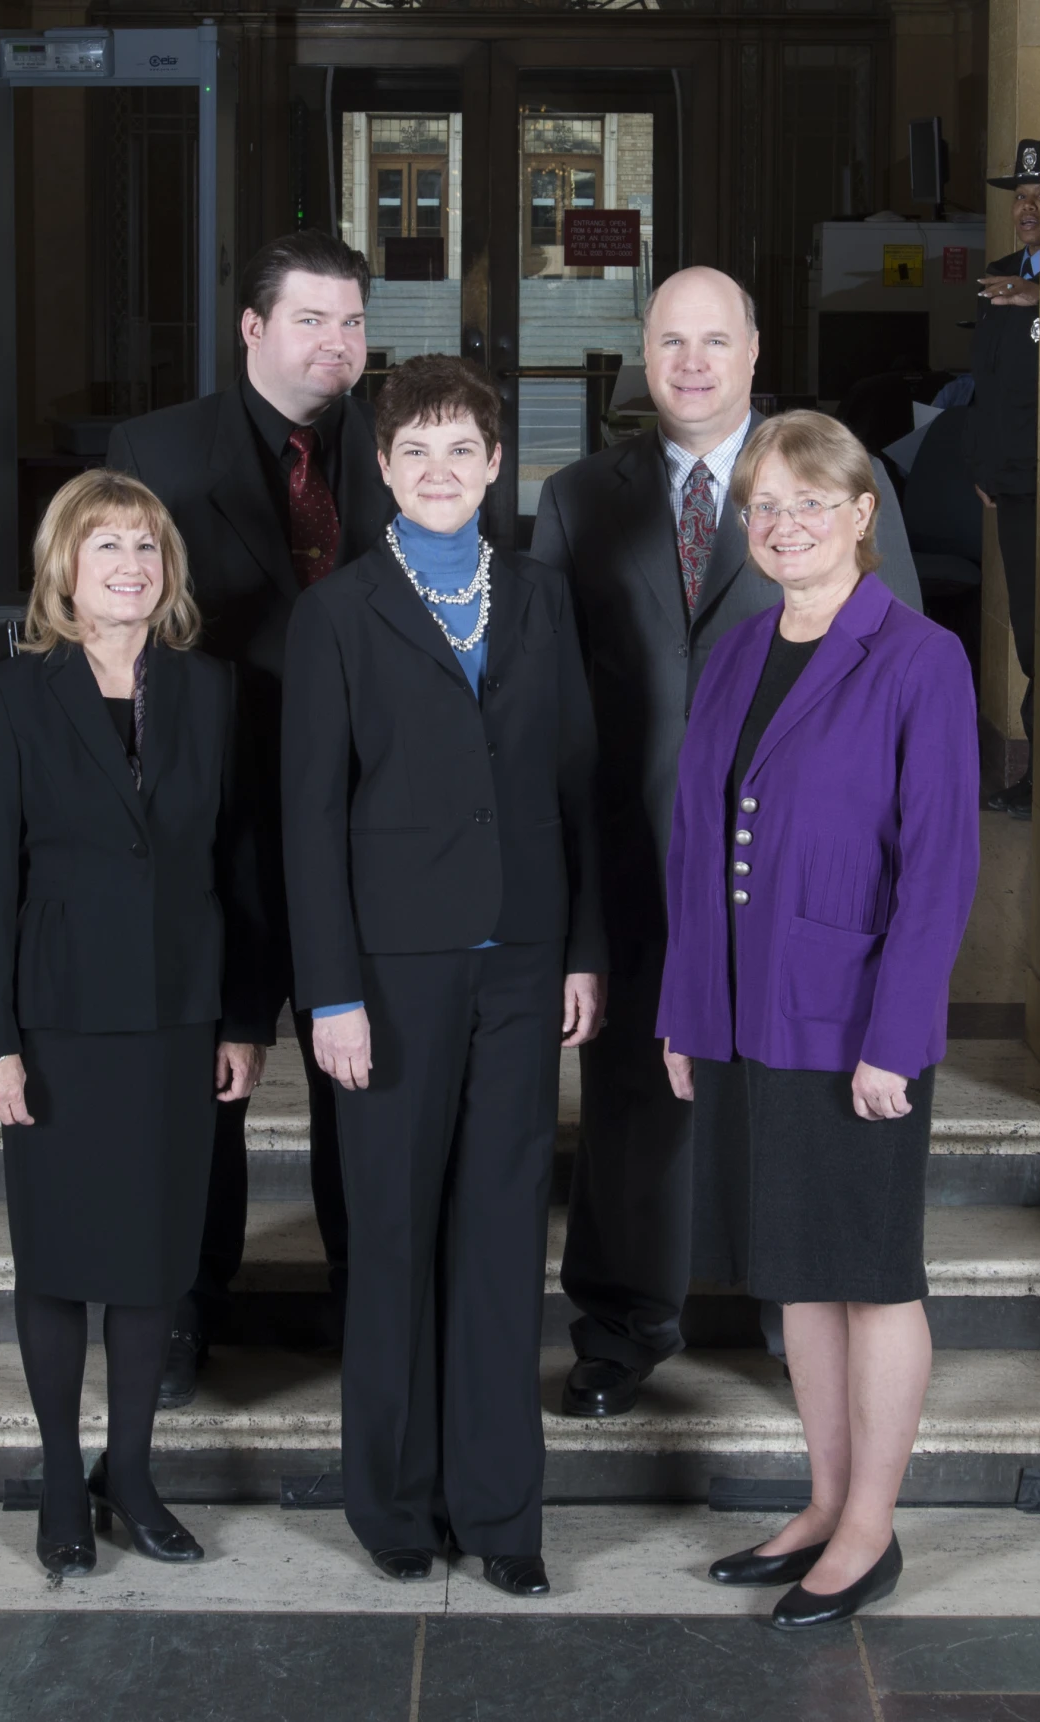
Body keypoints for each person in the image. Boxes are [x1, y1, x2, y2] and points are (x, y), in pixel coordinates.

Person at [281, 355, 605, 1597]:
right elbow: (309, 822)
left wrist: (586, 949)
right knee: (396, 1239)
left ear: (496, 464)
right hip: (392, 982)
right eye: (413, 450)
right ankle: (395, 1506)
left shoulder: (540, 598)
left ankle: (503, 1515)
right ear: (381, 466)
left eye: (460, 450)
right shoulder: (337, 615)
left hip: (524, 967)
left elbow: (579, 788)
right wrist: (332, 995)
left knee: (501, 1240)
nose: (438, 471)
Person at [658, 412, 978, 1630]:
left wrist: (898, 1037)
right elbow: (695, 845)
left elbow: (940, 865)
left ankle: (873, 1528)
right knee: (796, 1276)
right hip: (748, 1012)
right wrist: (688, 1009)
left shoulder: (918, 657)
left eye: (811, 503)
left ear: (862, 516)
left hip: (855, 1022)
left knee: (872, 1275)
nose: (785, 526)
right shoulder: (735, 654)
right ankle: (823, 1499)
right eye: (765, 507)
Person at [0, 469, 276, 1578]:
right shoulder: (12, 700)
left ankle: (130, 1475)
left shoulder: (214, 692)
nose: (130, 565)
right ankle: (58, 1477)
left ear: (167, 569)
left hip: (178, 1019)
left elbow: (243, 868)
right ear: (66, 573)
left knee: (151, 1263)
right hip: (55, 1025)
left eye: (145, 546)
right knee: (55, 1261)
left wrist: (245, 1018)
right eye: (106, 550)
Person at [105, 233, 396, 1403]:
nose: (338, 345)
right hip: (212, 813)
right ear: (252, 328)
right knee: (195, 1074)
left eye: (353, 324)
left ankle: (368, 1295)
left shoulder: (401, 445)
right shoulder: (157, 452)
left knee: (363, 1072)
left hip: (365, 816)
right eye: (313, 321)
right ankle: (184, 1306)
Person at [529, 266, 776, 1419]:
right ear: (644, 351)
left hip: (784, 860)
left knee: (788, 1087)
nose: (691, 363)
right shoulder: (581, 498)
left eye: (713, 341)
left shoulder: (822, 480)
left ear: (753, 352)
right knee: (630, 1097)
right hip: (627, 851)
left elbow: (897, 666)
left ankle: (793, 1305)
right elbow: (549, 692)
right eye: (671, 340)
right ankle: (623, 1325)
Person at [965, 138, 1040, 821]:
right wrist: (981, 465)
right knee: (1029, 630)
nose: (1025, 210)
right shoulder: (997, 273)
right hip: (1014, 479)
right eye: (1020, 199)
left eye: (1038, 199)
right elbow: (985, 383)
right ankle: (1038, 773)